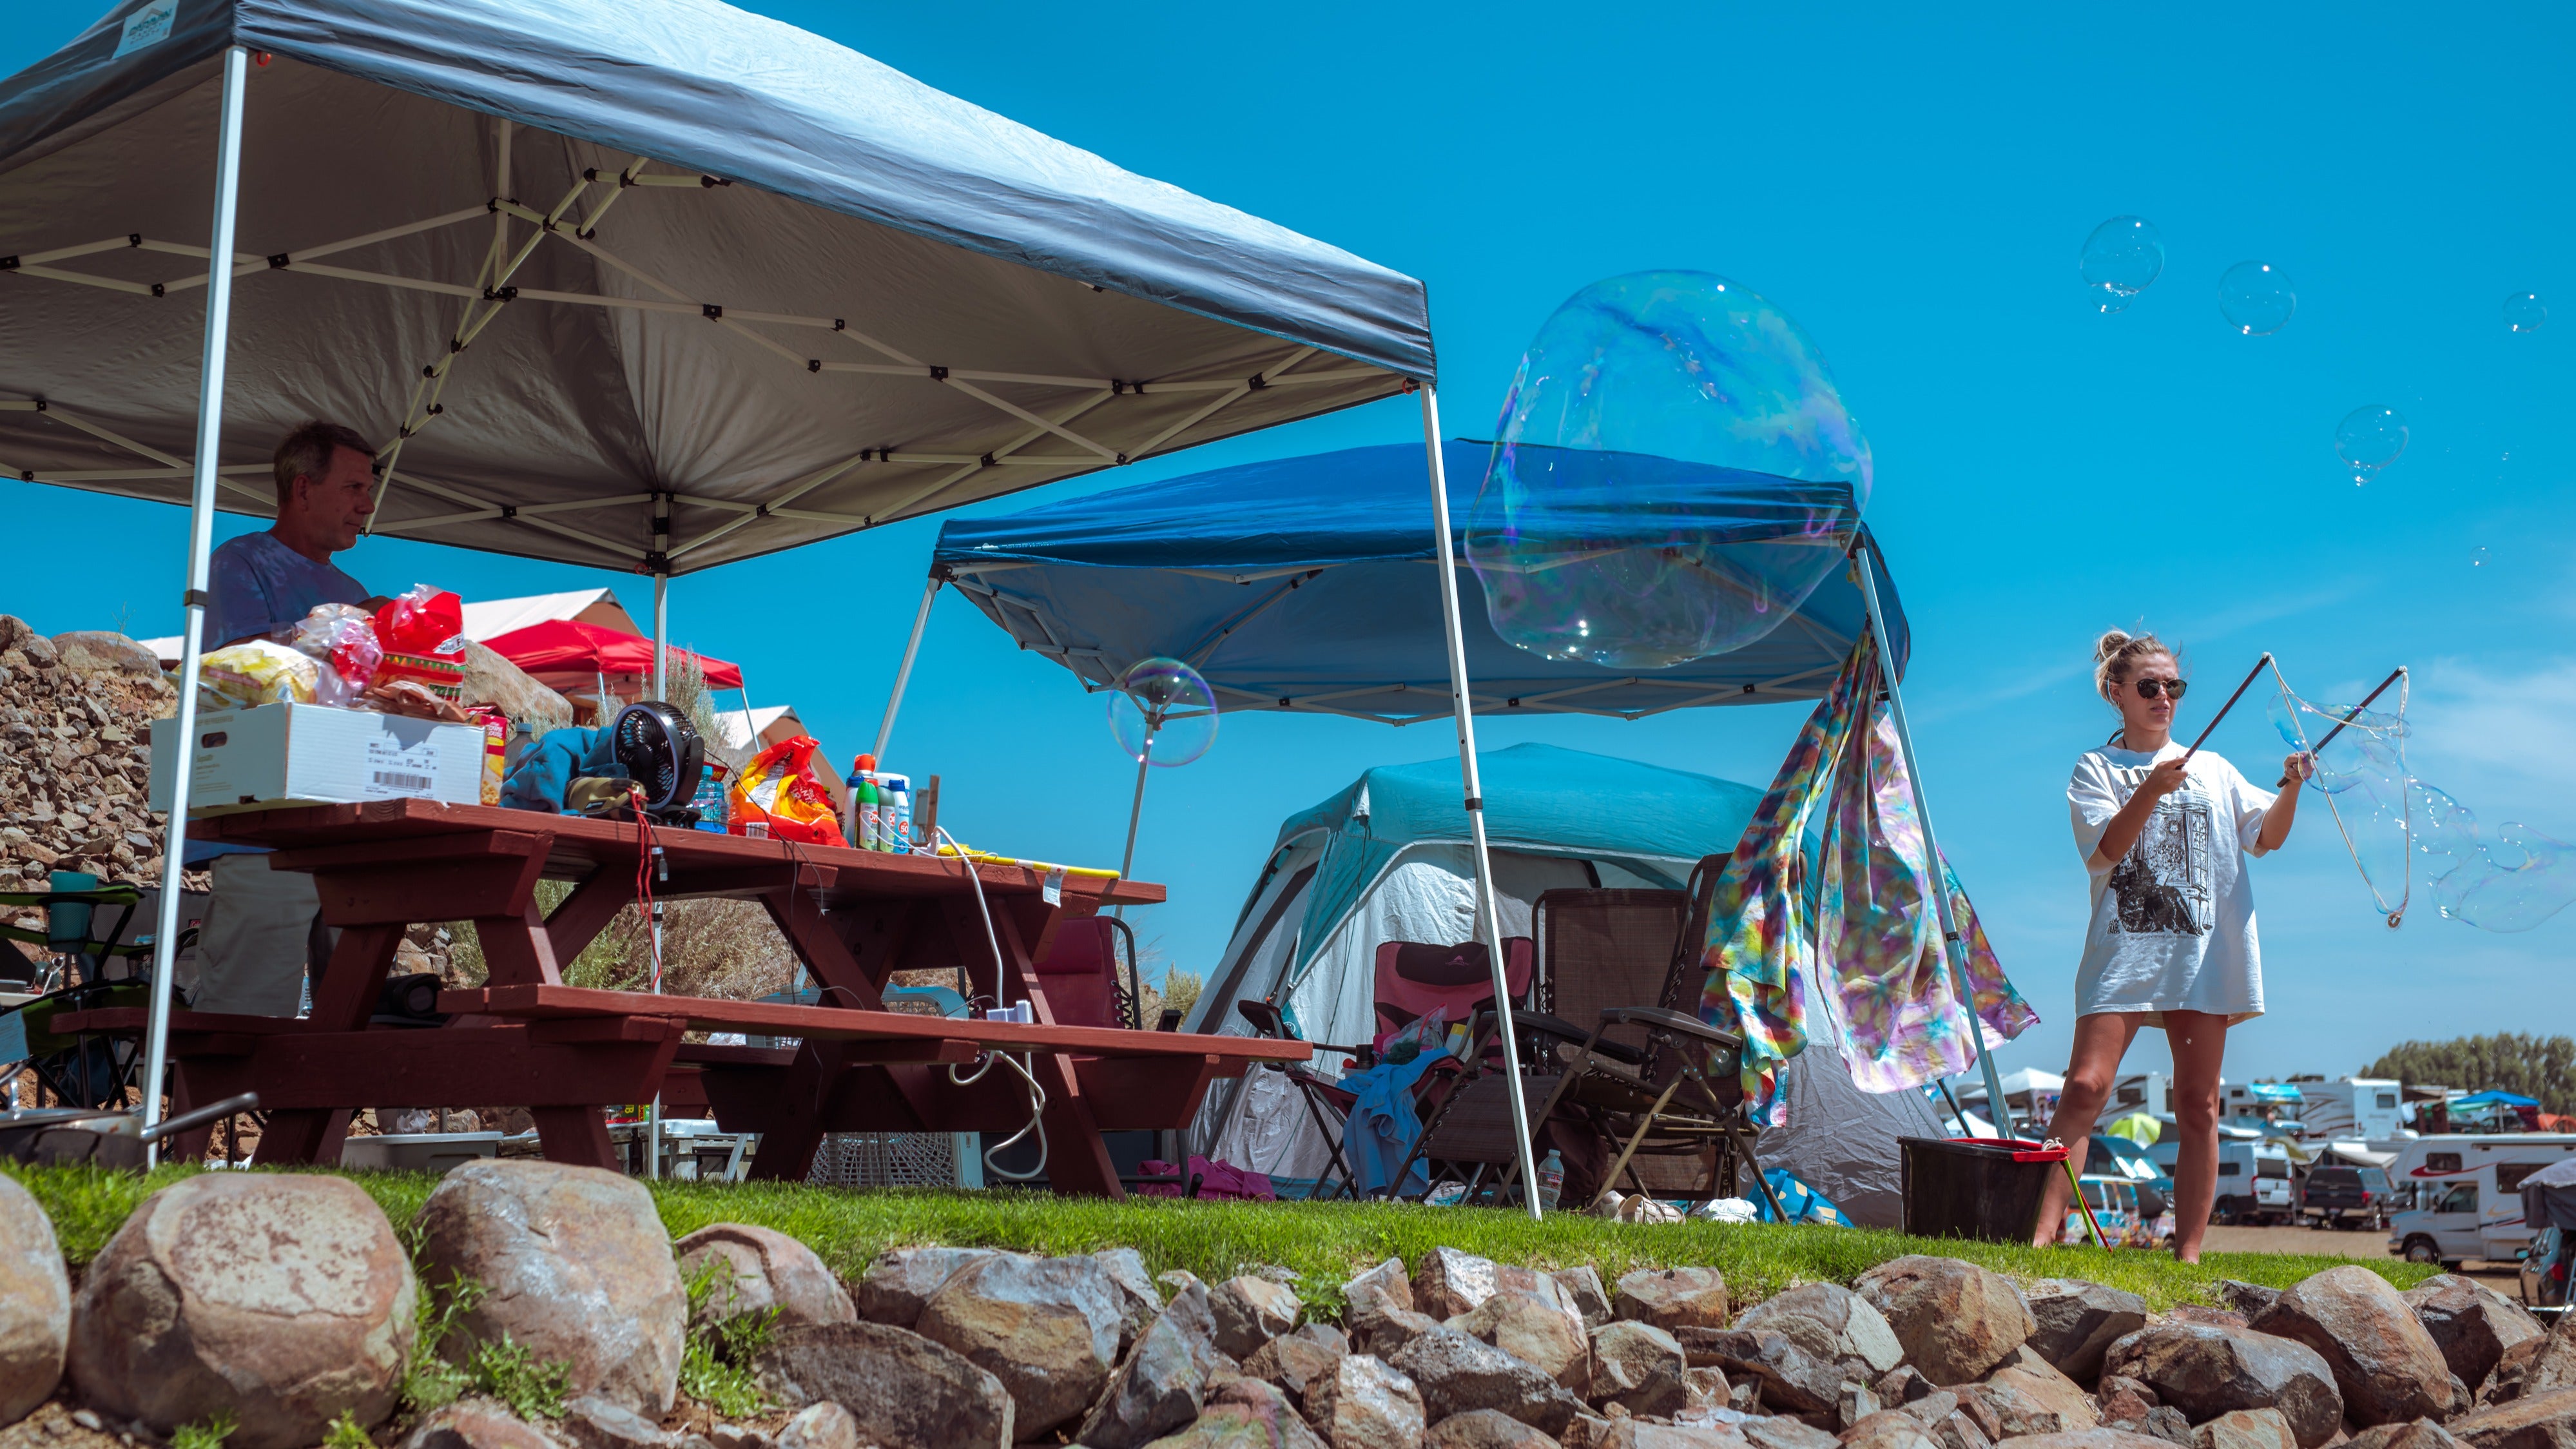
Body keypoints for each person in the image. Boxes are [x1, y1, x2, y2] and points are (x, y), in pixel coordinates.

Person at [2028, 628, 2312, 1262]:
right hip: (2125, 949)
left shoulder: (2212, 766)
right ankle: (2041, 1235)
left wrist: (2291, 786)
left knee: (2198, 1105)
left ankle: (2187, 1254)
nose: (2164, 696)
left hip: (2200, 952)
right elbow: (2103, 852)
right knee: (2084, 1086)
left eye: (2173, 686)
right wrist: (2150, 789)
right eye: (2149, 686)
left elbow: (2266, 836)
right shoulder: (2095, 768)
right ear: (2116, 693)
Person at [191, 421, 392, 1016]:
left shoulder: (352, 586)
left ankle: (315, 1117)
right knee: (242, 1021)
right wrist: (354, 623)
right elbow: (241, 668)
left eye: (369, 489)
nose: (367, 504)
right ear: (302, 489)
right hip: (263, 835)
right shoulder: (240, 562)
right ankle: (205, 1114)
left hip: (345, 833)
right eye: (354, 486)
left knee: (352, 1023)